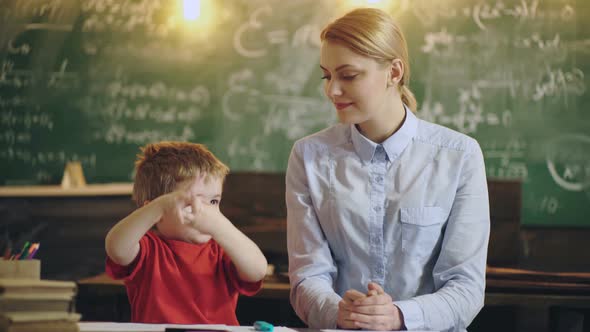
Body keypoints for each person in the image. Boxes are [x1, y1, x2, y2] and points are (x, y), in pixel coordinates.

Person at [286, 8, 490, 332]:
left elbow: (466, 288)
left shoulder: (460, 156)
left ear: (394, 72)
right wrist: (339, 312)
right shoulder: (308, 156)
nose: (332, 90)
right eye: (327, 76)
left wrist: (397, 316)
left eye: (348, 76)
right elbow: (307, 277)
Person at [105, 141, 267, 324]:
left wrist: (220, 226)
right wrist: (159, 206)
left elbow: (257, 271)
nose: (207, 213)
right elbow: (116, 248)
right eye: (193, 203)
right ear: (156, 214)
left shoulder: (223, 251)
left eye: (213, 202)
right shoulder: (147, 250)